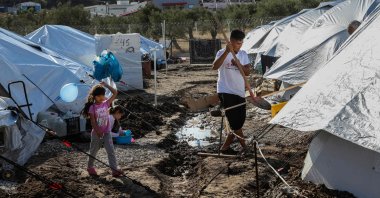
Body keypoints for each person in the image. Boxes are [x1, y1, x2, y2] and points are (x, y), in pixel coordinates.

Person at [212, 29, 250, 154]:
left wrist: (238, 64)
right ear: (231, 41)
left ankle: (225, 147)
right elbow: (215, 67)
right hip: (226, 90)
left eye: (241, 43)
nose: (239, 45)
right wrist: (227, 52)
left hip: (239, 91)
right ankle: (245, 147)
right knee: (234, 122)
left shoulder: (243, 54)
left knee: (240, 121)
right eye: (237, 43)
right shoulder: (222, 52)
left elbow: (247, 72)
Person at [82, 82, 123, 177]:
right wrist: (97, 131)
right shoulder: (92, 107)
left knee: (110, 150)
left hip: (107, 132)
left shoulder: (106, 104)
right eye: (99, 96)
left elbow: (115, 93)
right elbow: (92, 121)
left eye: (103, 95)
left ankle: (114, 169)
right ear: (94, 96)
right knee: (93, 151)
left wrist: (106, 85)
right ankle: (90, 167)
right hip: (96, 133)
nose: (101, 97)